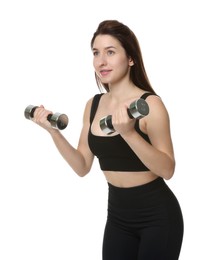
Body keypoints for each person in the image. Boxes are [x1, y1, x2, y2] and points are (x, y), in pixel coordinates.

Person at [32, 20, 184, 260]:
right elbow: (82, 166)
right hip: (118, 218)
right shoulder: (93, 105)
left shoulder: (150, 105)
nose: (101, 61)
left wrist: (129, 133)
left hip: (158, 217)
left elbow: (168, 169)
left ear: (131, 58)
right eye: (96, 53)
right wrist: (54, 132)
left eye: (110, 52)